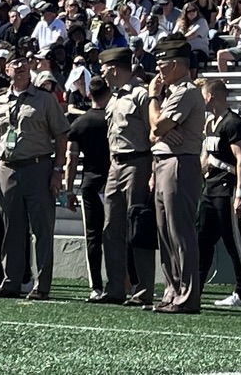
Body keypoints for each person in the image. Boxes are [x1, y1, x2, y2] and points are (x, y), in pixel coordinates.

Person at [0, 52, 69, 300]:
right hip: (8, 168)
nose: (19, 67)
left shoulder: (45, 99)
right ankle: (11, 282)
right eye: (14, 64)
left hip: (38, 167)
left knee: (42, 228)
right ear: (6, 70)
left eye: (23, 63)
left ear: (30, 68)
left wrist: (57, 171)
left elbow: (61, 135)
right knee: (11, 228)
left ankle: (42, 285)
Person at [148, 35, 206, 314]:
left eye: (162, 64)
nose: (158, 70)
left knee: (179, 231)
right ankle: (173, 290)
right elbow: (154, 133)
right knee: (165, 232)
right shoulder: (174, 93)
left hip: (179, 163)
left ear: (175, 64)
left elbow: (158, 127)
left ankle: (187, 294)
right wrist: (160, 127)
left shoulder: (185, 91)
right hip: (163, 162)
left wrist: (152, 98)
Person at [96, 46, 154, 307]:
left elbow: (153, 134)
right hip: (116, 165)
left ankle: (143, 289)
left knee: (138, 227)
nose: (101, 71)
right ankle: (116, 286)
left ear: (114, 67)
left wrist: (152, 169)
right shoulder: (114, 97)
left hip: (137, 162)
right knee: (111, 229)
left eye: (104, 66)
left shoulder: (140, 94)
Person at [195, 76, 241, 308]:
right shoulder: (210, 123)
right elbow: (206, 158)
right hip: (210, 189)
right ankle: (194, 289)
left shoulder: (233, 123)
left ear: (211, 96)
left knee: (233, 242)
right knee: (203, 241)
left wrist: (240, 193)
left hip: (227, 190)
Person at [63, 77, 111, 296]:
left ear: (88, 95)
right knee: (119, 233)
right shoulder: (113, 119)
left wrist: (68, 190)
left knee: (93, 236)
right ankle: (127, 282)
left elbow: (71, 159)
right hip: (113, 180)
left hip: (90, 182)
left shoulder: (79, 124)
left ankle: (96, 286)